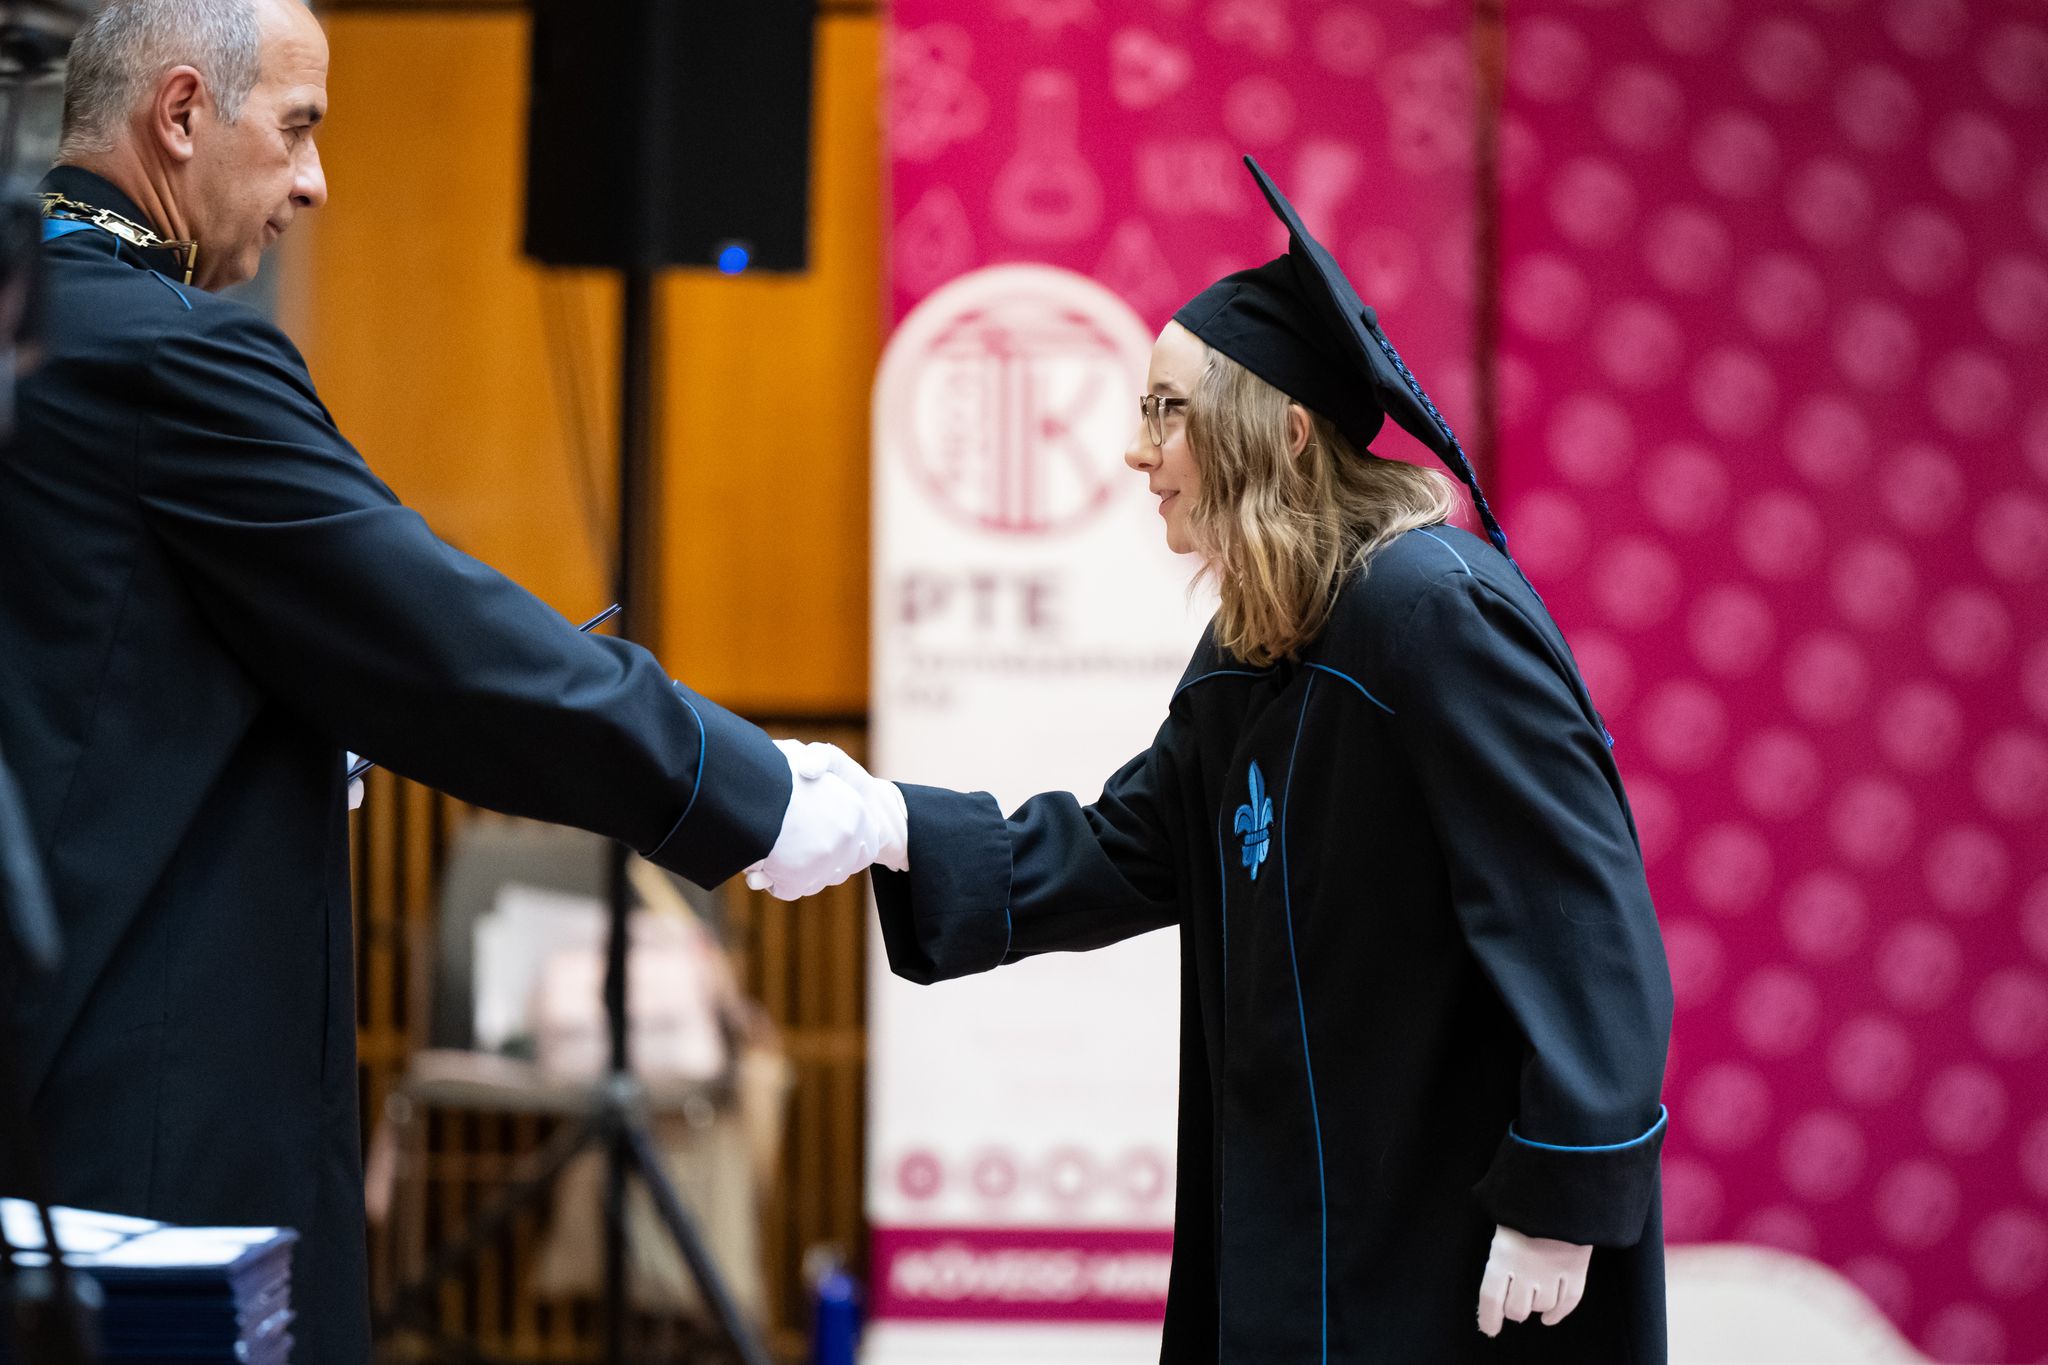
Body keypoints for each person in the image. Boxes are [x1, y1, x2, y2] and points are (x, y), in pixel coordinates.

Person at [0, 2, 876, 1361]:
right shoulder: (173, 353)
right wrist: (765, 795)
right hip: (150, 1102)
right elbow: (449, 647)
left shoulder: (38, 329)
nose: (314, 182)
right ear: (180, 114)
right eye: (297, 128)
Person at [787, 159, 1674, 1361]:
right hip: (1296, 1224)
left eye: (1165, 410)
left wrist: (1561, 1194)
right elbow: (1127, 845)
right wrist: (886, 823)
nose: (1133, 450)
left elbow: (1580, 912)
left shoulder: (1431, 612)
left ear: (1284, 433)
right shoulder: (1251, 645)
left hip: (1450, 1235)